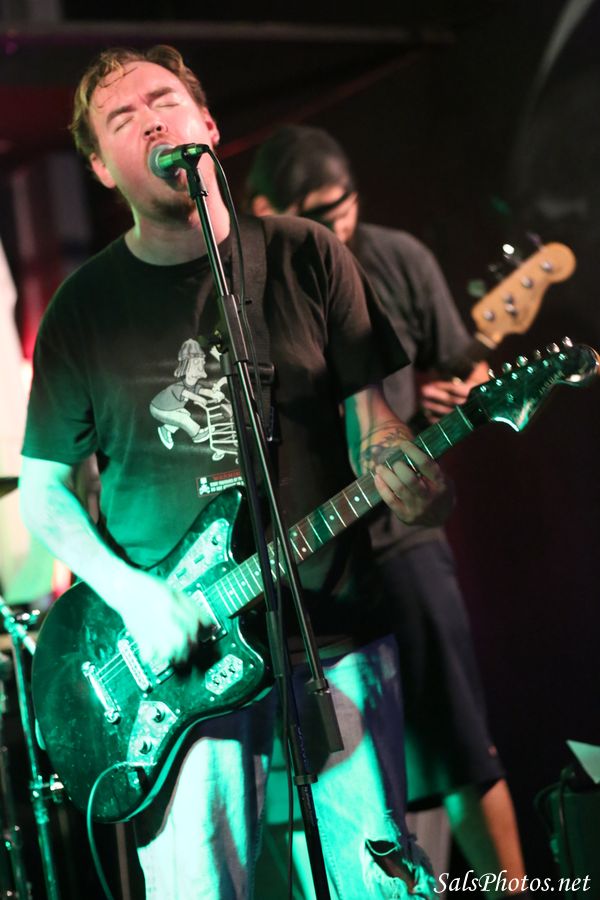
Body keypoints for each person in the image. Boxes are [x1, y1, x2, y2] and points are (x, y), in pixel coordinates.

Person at [18, 46, 453, 900]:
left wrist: (404, 469)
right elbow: (43, 491)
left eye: (165, 100)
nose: (152, 120)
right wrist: (137, 599)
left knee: (379, 881)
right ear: (102, 168)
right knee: (203, 886)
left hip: (333, 630)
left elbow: (374, 423)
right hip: (177, 665)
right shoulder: (83, 309)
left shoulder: (307, 256)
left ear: (208, 125)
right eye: (122, 119)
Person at [247, 125, 527, 898]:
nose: (338, 223)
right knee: (339, 772)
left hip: (399, 539)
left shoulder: (399, 257)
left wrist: (462, 394)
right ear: (267, 208)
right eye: (319, 212)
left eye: (346, 206)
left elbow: (467, 365)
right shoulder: (253, 286)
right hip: (311, 562)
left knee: (461, 746)